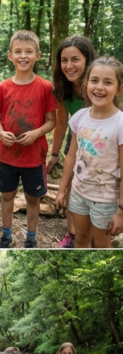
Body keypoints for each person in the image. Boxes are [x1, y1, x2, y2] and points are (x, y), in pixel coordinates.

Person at [0, 30, 58, 248]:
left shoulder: (46, 87)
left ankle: (31, 237)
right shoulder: (2, 87)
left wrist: (36, 133)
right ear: (10, 56)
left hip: (34, 157)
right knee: (7, 196)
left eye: (29, 51)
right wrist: (1, 133)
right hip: (7, 156)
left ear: (37, 56)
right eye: (18, 51)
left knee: (32, 199)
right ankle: (6, 235)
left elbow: (52, 121)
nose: (23, 56)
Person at [55, 56, 123, 248]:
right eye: (94, 80)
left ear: (118, 89)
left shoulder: (120, 124)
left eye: (108, 82)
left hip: (106, 199)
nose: (100, 87)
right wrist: (62, 190)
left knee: (100, 244)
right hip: (78, 193)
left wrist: (121, 211)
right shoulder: (79, 117)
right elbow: (71, 156)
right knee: (81, 239)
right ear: (86, 84)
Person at [47, 36, 98, 247]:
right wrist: (54, 154)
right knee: (69, 186)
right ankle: (72, 234)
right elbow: (60, 123)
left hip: (102, 140)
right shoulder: (62, 87)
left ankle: (97, 234)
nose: (69, 66)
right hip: (76, 137)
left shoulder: (99, 82)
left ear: (87, 60)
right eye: (64, 60)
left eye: (75, 59)